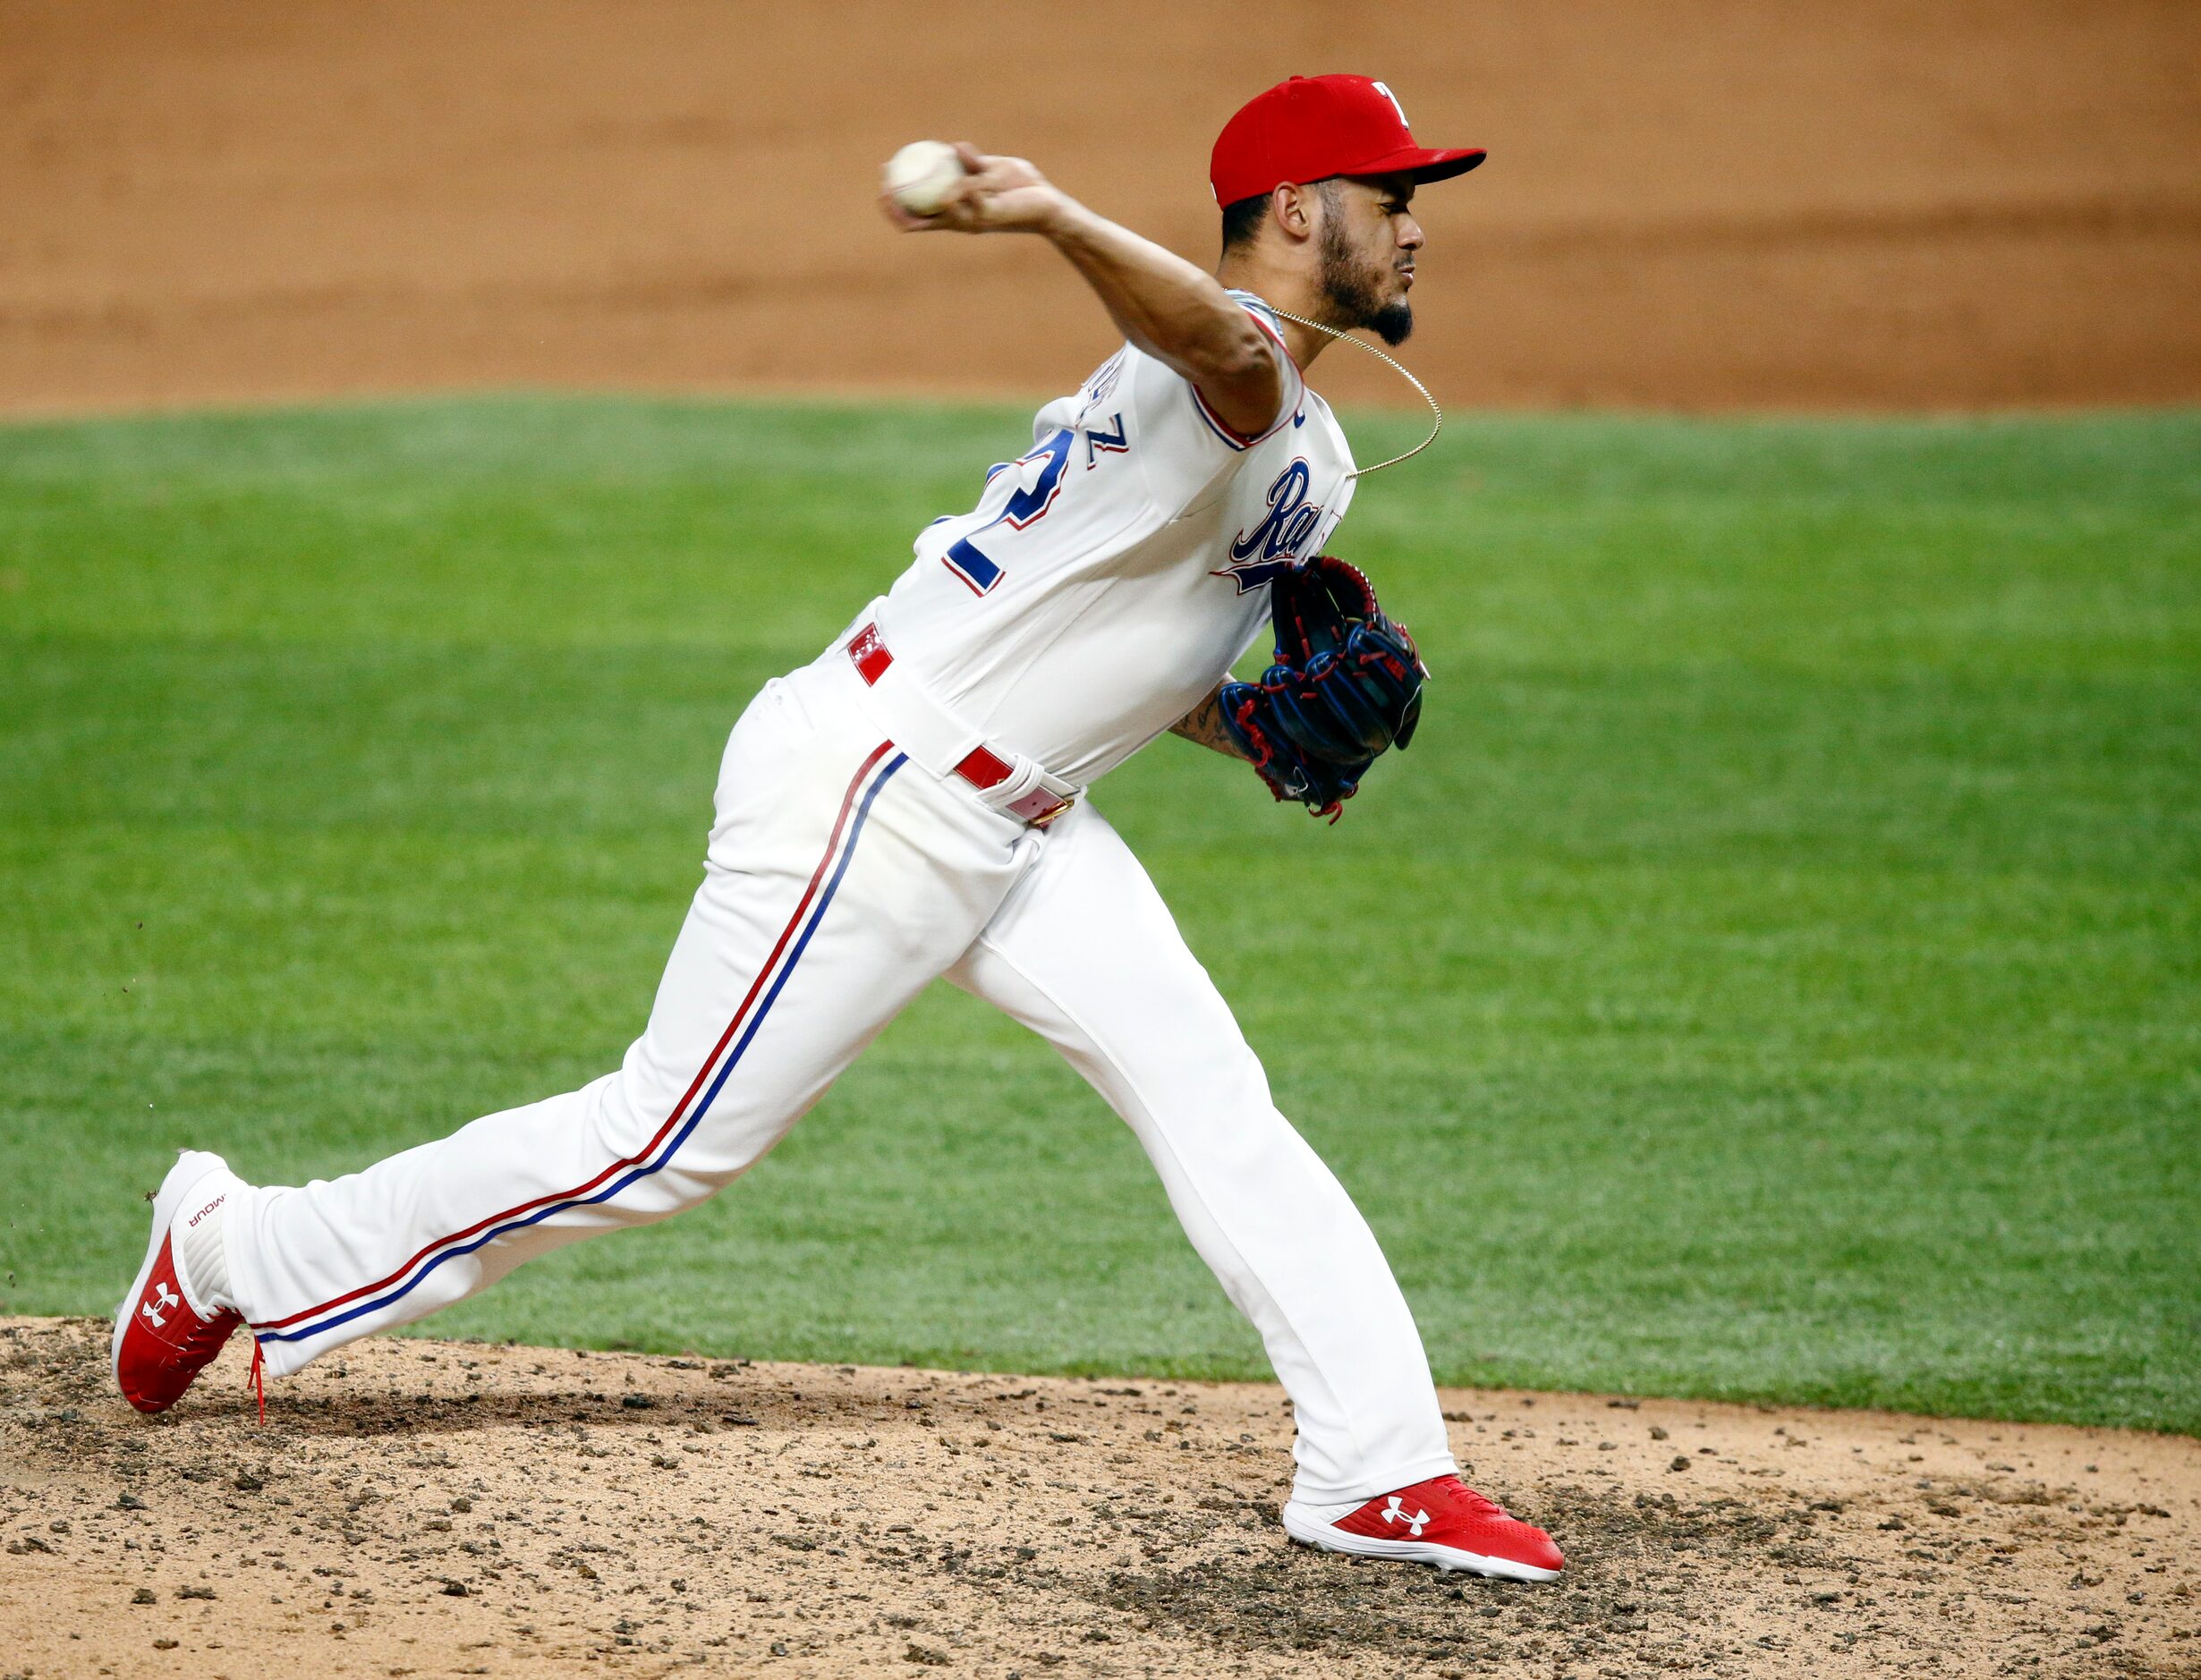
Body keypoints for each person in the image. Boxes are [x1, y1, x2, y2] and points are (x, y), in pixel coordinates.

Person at [113, 74, 1564, 1582]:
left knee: (1215, 1100)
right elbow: (1216, 338)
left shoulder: (1313, 448)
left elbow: (1104, 636)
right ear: (1293, 210)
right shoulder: (1219, 365)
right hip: (877, 786)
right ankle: (232, 1244)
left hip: (1027, 823)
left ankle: (1378, 1468)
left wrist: (1246, 726)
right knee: (660, 1145)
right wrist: (1054, 213)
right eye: (1390, 199)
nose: (1414, 230)